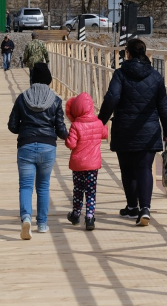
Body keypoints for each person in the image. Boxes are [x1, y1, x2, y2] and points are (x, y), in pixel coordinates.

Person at [98, 38, 167, 226]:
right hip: (149, 130)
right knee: (144, 168)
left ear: (128, 54)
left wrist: (100, 122)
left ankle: (132, 207)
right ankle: (145, 209)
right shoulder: (155, 76)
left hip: (124, 128)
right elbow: (163, 106)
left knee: (127, 169)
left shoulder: (120, 74)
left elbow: (112, 98)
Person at [7, 62, 68, 240]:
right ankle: (42, 224)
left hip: (25, 146)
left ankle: (26, 219)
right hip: (48, 147)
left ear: (32, 78)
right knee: (43, 186)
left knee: (25, 186)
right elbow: (60, 128)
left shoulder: (22, 98)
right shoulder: (55, 100)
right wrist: (71, 137)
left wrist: (25, 131)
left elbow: (12, 126)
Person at [64, 92, 108, 231]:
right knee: (90, 190)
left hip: (78, 165)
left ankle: (76, 214)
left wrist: (67, 138)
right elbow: (105, 134)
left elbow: (71, 144)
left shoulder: (76, 125)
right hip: (92, 165)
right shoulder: (98, 123)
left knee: (78, 189)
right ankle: (89, 217)